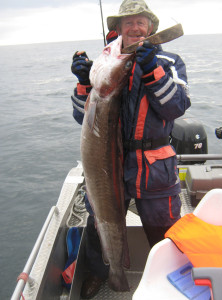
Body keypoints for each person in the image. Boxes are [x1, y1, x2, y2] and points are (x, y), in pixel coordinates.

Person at [70, 0, 191, 298]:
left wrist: (151, 68)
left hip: (153, 166)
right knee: (99, 221)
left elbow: (176, 106)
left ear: (151, 28)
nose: (135, 28)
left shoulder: (169, 61)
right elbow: (80, 116)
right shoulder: (107, 61)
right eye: (128, 23)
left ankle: (169, 279)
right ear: (118, 29)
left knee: (163, 229)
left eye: (141, 22)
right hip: (108, 164)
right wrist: (85, 83)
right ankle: (103, 274)